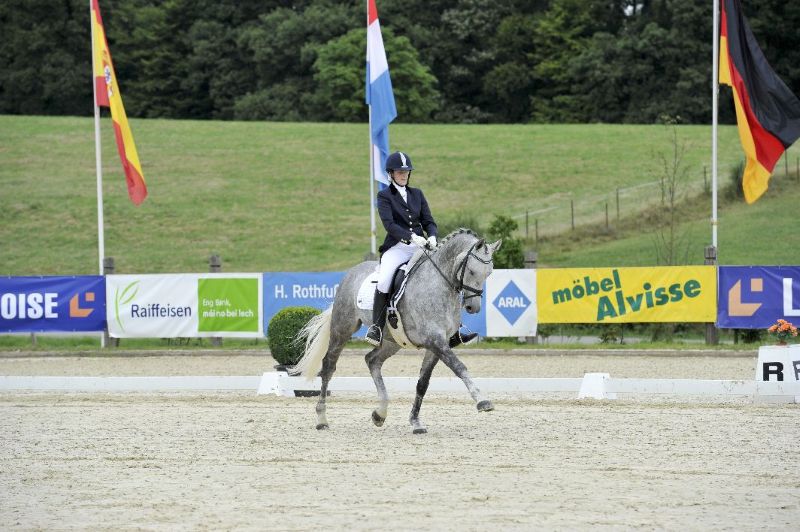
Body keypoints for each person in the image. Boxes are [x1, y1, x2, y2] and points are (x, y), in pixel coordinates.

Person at [365, 151, 477, 348]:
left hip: (422, 246)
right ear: (391, 174)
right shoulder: (384, 196)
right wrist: (411, 237)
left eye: (406, 172)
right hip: (398, 247)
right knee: (384, 280)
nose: (404, 175)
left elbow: (429, 221)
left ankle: (455, 330)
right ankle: (376, 327)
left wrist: (432, 235)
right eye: (400, 172)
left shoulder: (417, 194)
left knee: (444, 275)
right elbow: (389, 225)